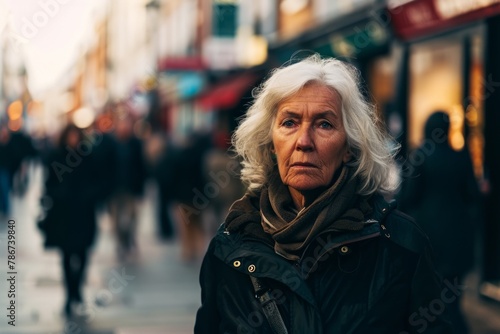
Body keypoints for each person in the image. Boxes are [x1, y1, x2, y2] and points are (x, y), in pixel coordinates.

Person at [194, 55, 452, 333]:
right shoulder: (228, 248)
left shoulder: (399, 245)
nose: (304, 142)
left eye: (324, 124)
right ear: (270, 143)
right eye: (289, 123)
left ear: (350, 147)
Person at [399, 111, 481, 334]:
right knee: (452, 298)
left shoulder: (422, 156)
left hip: (430, 235)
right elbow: (473, 195)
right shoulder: (462, 157)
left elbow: (408, 196)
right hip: (459, 234)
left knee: (433, 297)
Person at [38, 124, 101, 317]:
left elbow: (97, 180)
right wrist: (59, 195)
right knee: (66, 256)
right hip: (63, 215)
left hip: (83, 213)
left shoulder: (87, 157)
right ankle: (70, 295)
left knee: (82, 254)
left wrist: (90, 196)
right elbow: (48, 184)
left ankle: (77, 291)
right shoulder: (55, 157)